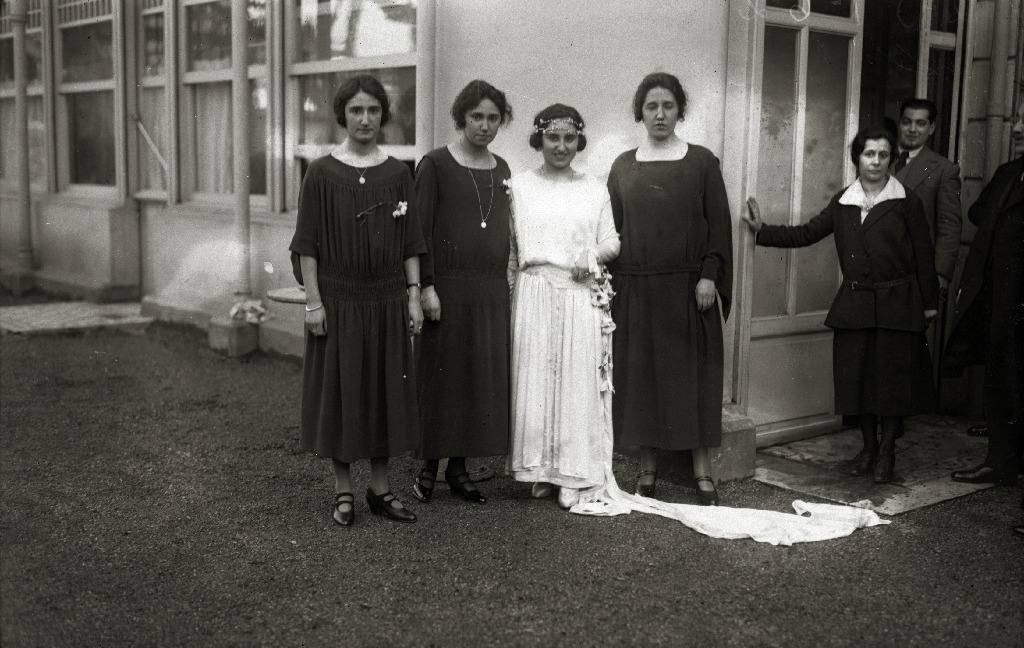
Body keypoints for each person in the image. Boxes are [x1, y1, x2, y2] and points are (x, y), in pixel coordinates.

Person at [744, 126, 939, 483]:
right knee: (858, 382)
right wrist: (762, 230)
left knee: (891, 386)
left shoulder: (906, 200)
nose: (876, 162)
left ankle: (887, 453)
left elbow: (924, 253)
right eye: (869, 154)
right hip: (856, 305)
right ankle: (867, 449)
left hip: (898, 305)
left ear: (891, 159)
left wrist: (929, 303)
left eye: (882, 155)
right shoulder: (843, 202)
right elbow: (806, 233)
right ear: (857, 159)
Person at [289, 74, 426, 526]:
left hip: (386, 300)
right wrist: (313, 302)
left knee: (386, 391)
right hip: (340, 300)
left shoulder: (397, 173)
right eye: (356, 111)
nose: (365, 119)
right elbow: (307, 244)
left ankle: (381, 489)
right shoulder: (322, 173)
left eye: (372, 110)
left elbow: (410, 243)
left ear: (383, 116)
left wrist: (412, 296)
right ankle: (343, 490)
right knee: (342, 392)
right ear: (342, 116)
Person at [606, 72, 733, 505]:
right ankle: (646, 469)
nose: (660, 115)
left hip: (686, 289)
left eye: (668, 106)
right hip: (636, 290)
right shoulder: (623, 165)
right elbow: (611, 229)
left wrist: (710, 275)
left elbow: (718, 226)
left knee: (694, 379)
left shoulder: (701, 162)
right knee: (642, 380)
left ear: (680, 111)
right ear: (639, 113)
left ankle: (702, 474)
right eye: (651, 107)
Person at [507, 103, 621, 511]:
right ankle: (540, 470)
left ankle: (571, 474)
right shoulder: (519, 185)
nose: (561, 146)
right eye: (553, 137)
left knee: (573, 381)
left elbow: (612, 242)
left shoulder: (594, 187)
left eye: (569, 138)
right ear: (539, 139)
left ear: (579, 141)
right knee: (537, 380)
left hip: (577, 292)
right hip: (534, 290)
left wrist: (588, 256)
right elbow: (511, 248)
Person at [411, 80, 514, 505]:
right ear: (461, 117)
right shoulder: (434, 165)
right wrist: (426, 286)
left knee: (476, 379)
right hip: (447, 287)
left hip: (488, 289)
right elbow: (418, 231)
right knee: (442, 378)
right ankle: (428, 468)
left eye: (492, 118)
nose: (484, 126)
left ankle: (459, 468)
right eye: (477, 117)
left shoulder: (503, 169)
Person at [946, 106, 1023, 488]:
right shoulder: (1010, 173)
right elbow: (979, 213)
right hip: (1001, 304)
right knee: (1001, 383)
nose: (1017, 128)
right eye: (1017, 119)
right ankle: (1001, 462)